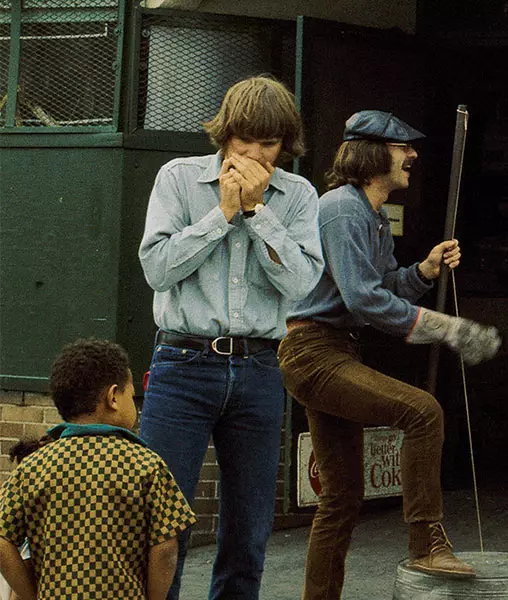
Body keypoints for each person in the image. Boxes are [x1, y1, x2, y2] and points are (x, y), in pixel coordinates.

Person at [278, 110, 501, 598]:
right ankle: (427, 542)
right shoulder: (341, 208)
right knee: (423, 412)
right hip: (314, 352)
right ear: (373, 154)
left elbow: (382, 287)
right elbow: (363, 299)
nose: (413, 155)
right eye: (403, 148)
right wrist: (448, 329)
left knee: (340, 499)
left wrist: (424, 269)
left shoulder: (371, 214)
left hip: (333, 350)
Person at [137, 75, 324, 599]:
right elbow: (157, 267)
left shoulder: (298, 195)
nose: (256, 153)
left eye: (270, 143)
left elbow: (304, 283)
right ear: (225, 134)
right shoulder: (178, 179)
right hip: (182, 362)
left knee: (248, 526)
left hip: (260, 367)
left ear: (285, 144)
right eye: (245, 139)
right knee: (160, 524)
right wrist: (221, 214)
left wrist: (256, 213)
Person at [0, 339, 196, 600]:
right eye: (131, 393)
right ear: (113, 397)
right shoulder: (148, 466)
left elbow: (3, 542)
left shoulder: (34, 466)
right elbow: (166, 549)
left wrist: (30, 595)